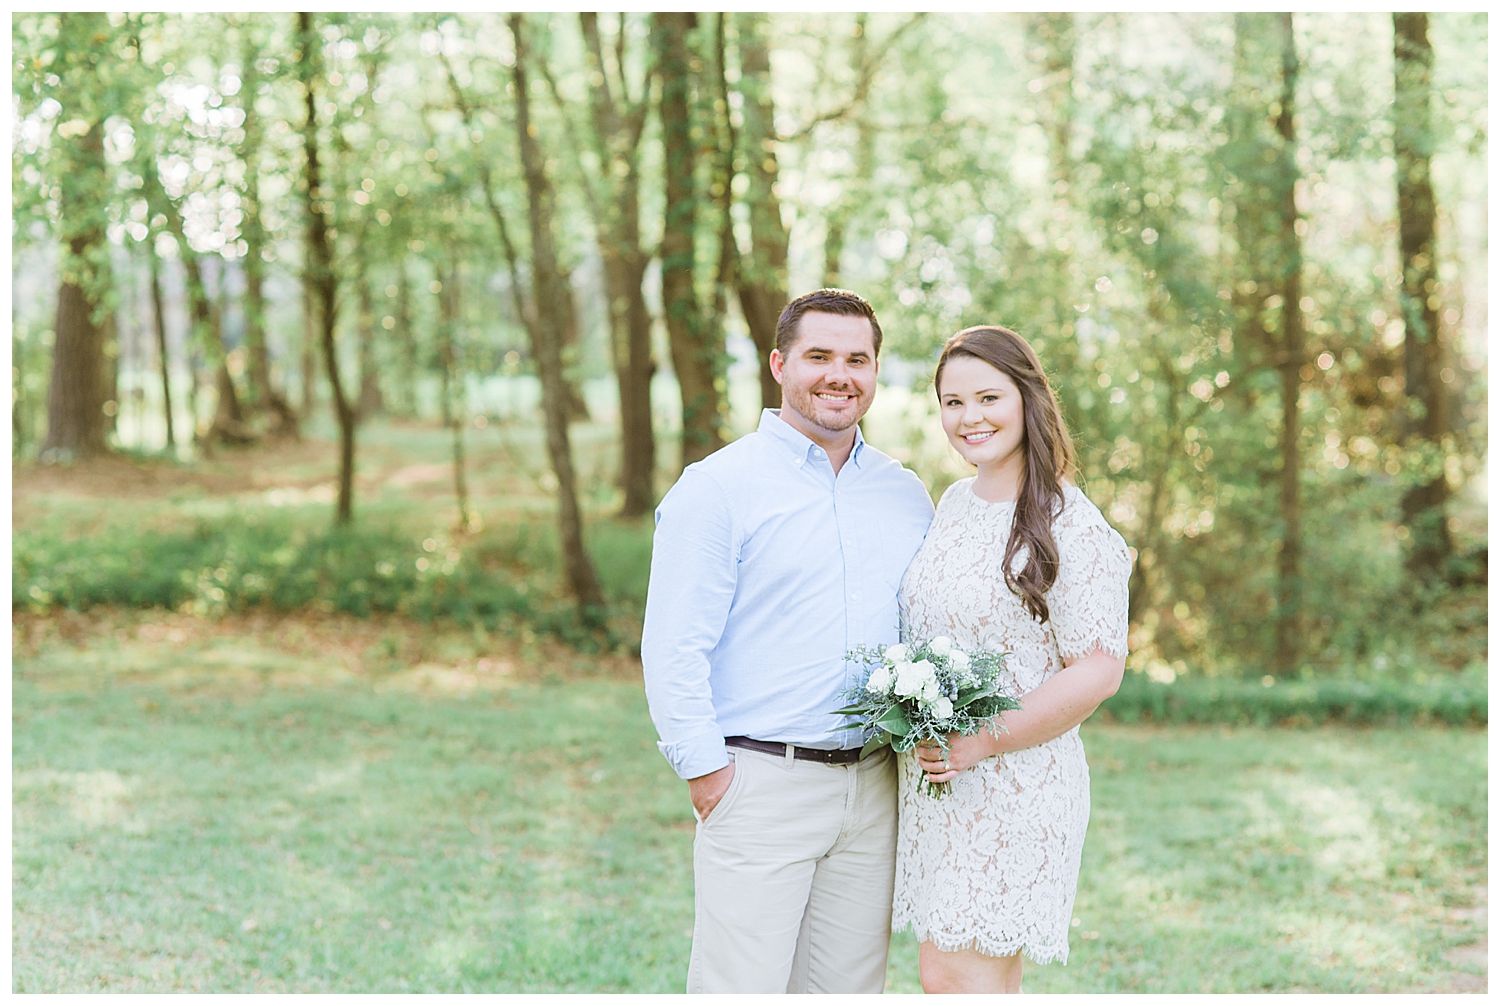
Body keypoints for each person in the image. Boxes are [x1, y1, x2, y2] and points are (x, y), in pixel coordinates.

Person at [641, 289, 935, 994]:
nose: (840, 374)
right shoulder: (718, 488)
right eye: (819, 356)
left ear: (875, 372)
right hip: (759, 783)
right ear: (779, 364)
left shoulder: (905, 494)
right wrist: (708, 775)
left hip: (873, 790)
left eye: (857, 359)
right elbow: (672, 646)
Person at [894, 325, 1130, 994]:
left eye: (988, 398)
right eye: (952, 402)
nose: (969, 418)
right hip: (942, 785)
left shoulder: (1072, 525)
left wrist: (979, 742)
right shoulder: (952, 506)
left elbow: (1098, 668)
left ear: (1028, 399)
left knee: (962, 982)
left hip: (1015, 782)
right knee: (946, 977)